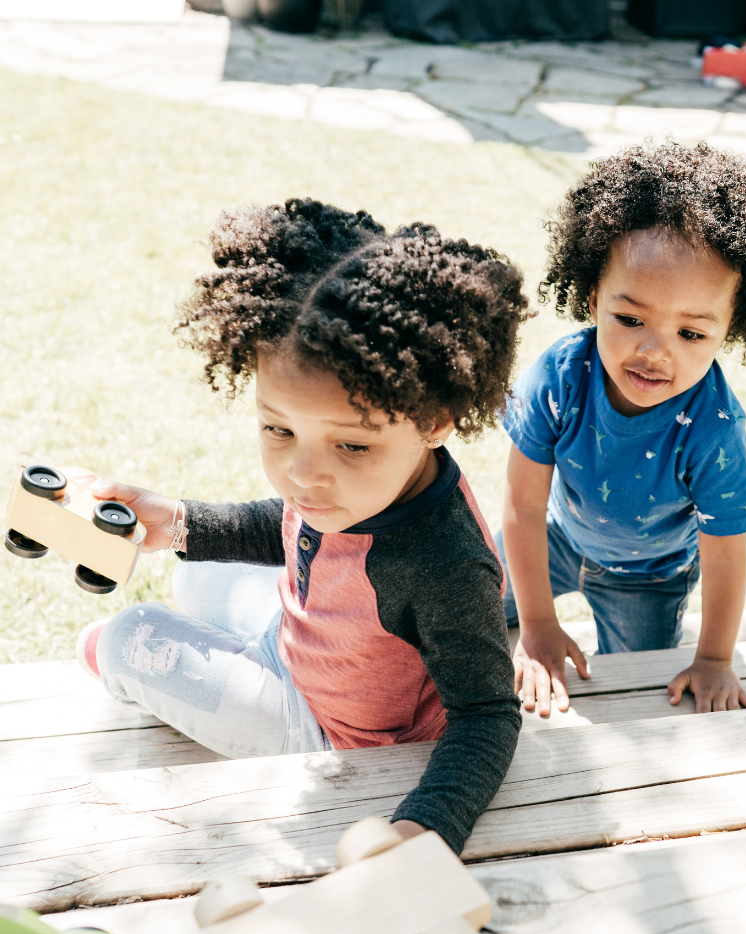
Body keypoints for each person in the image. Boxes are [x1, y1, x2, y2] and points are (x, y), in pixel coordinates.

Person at [75, 198, 529, 856]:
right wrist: (176, 521)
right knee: (196, 571)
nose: (303, 473)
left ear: (434, 421)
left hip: (328, 732)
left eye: (351, 446)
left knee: (125, 637)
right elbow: (287, 530)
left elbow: (488, 715)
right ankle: (221, 640)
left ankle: (109, 656)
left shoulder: (442, 565)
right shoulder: (350, 489)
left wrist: (424, 827)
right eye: (278, 430)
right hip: (293, 637)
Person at [498, 142, 746, 718]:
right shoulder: (560, 376)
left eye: (691, 334)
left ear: (728, 330)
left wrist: (712, 659)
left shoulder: (713, 431)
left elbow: (725, 554)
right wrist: (536, 624)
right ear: (593, 298)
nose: (654, 351)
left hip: (650, 578)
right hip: (556, 537)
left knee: (637, 692)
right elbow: (522, 505)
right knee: (466, 609)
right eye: (630, 319)